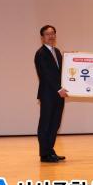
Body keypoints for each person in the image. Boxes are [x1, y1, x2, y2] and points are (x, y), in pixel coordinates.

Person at [34, 25, 69, 163]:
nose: (51, 36)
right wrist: (58, 89)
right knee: (46, 123)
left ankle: (50, 151)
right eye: (47, 34)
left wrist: (73, 60)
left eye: (53, 33)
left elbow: (62, 72)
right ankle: (44, 154)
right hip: (48, 94)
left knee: (55, 123)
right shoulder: (41, 53)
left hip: (59, 93)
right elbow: (46, 75)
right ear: (42, 37)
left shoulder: (57, 52)